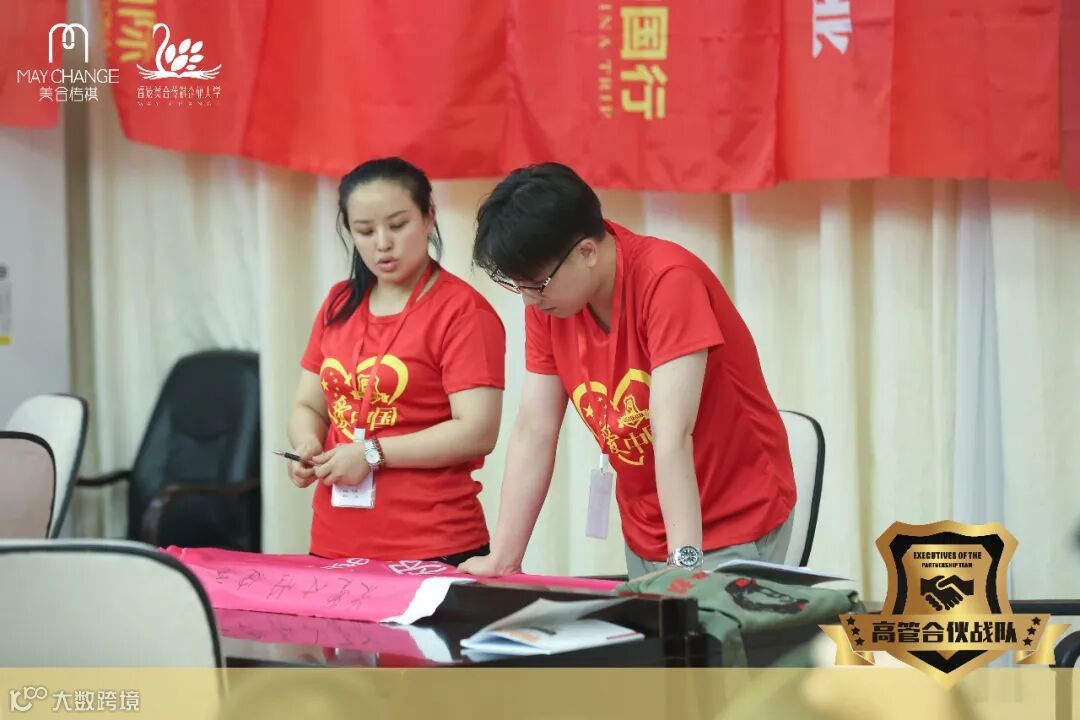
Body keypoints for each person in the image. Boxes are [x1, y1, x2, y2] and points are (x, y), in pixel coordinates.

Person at [460, 162, 796, 579]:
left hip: (732, 516)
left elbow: (672, 435)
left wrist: (684, 565)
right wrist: (503, 558)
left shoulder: (667, 281)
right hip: (646, 523)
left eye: (536, 285)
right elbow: (534, 428)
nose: (529, 301)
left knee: (697, 616)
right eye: (519, 286)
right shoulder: (551, 303)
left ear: (586, 252)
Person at [287, 157, 506, 564]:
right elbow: (308, 405)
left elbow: (477, 431)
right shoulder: (338, 302)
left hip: (433, 543)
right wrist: (307, 444)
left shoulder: (462, 311)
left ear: (429, 216)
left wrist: (370, 453)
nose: (382, 243)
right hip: (334, 540)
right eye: (365, 231)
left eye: (398, 225)